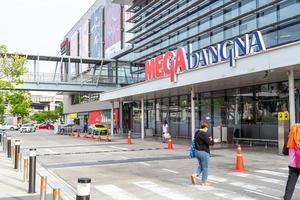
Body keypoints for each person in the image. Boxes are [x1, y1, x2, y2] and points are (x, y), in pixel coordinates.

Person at [191, 121, 214, 186]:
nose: (207, 129)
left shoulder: (197, 132)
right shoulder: (204, 134)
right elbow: (210, 143)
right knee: (205, 168)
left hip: (197, 151)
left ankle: (194, 175)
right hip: (204, 152)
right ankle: (204, 182)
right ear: (205, 127)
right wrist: (212, 139)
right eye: (207, 128)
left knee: (201, 166)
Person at [284, 123, 300, 200]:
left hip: (293, 165)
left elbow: (284, 152)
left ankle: (287, 198)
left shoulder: (290, 139)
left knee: (291, 183)